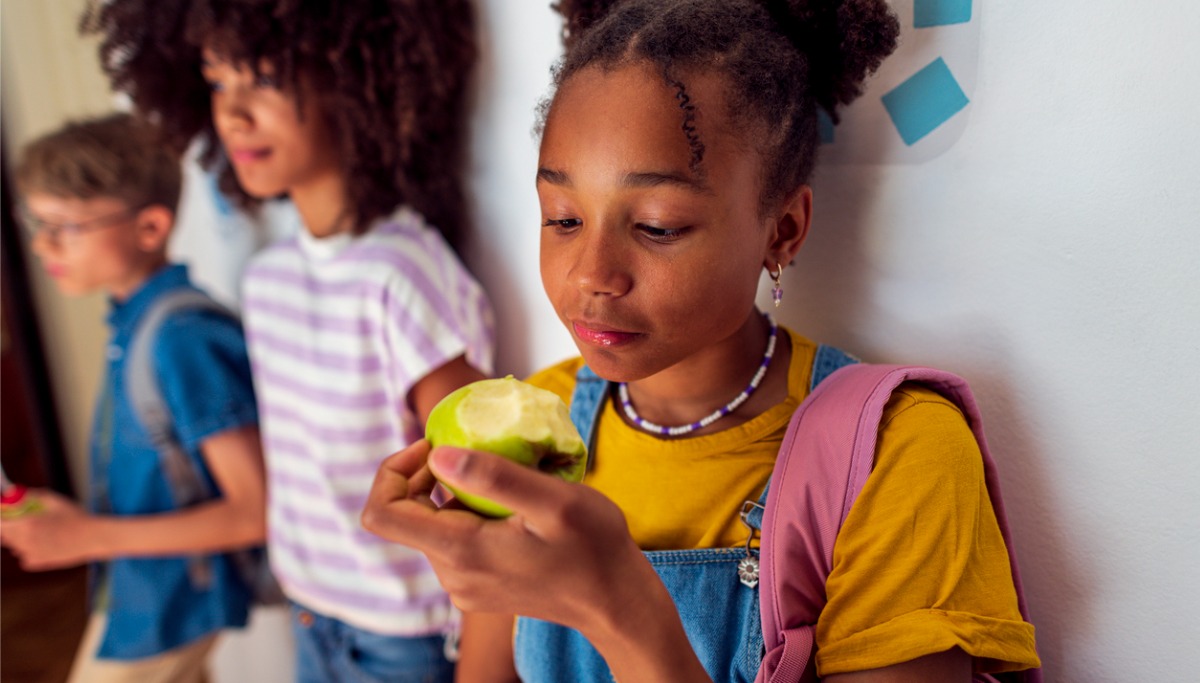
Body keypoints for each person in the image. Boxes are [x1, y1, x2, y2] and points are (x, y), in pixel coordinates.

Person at [361, 0, 1042, 681]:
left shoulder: (898, 452)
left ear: (781, 231)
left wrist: (619, 610)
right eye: (563, 218)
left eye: (657, 226)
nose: (592, 275)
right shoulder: (542, 422)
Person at [82, 2, 495, 681]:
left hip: (398, 642)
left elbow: (481, 486)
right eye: (218, 83)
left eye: (265, 81)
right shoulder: (268, 280)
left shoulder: (399, 275)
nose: (233, 115)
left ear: (357, 81)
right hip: (309, 617)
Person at [3, 112, 266, 683]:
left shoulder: (181, 338)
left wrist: (84, 536)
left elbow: (255, 511)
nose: (43, 244)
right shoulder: (134, 322)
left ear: (149, 228)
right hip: (140, 595)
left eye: (66, 226)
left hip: (170, 606)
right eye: (37, 221)